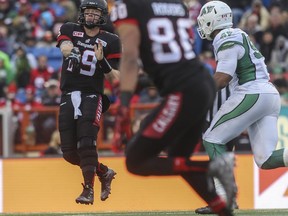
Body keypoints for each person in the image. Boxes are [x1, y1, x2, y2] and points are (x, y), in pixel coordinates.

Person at [111, 0, 237, 215]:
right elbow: (170, 57)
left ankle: (211, 167)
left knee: (135, 160)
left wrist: (123, 104)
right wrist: (143, 82)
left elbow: (130, 58)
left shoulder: (128, 7)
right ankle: (223, 210)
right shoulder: (176, 5)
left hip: (183, 90)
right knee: (179, 161)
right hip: (202, 82)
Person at [195, 1, 288, 214]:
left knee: (211, 138)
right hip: (268, 94)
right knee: (265, 159)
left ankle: (223, 198)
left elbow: (223, 77)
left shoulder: (224, 36)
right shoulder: (237, 34)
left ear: (213, 19)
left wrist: (198, 93)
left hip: (251, 91)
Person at [56, 0, 120, 205]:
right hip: (68, 94)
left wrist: (103, 62)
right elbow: (65, 46)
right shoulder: (69, 28)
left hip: (93, 95)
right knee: (69, 153)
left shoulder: (111, 40)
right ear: (81, 13)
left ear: (102, 15)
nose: (91, 16)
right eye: (88, 12)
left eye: (95, 13)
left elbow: (117, 78)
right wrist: (74, 52)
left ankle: (88, 190)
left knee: (86, 143)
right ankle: (104, 171)